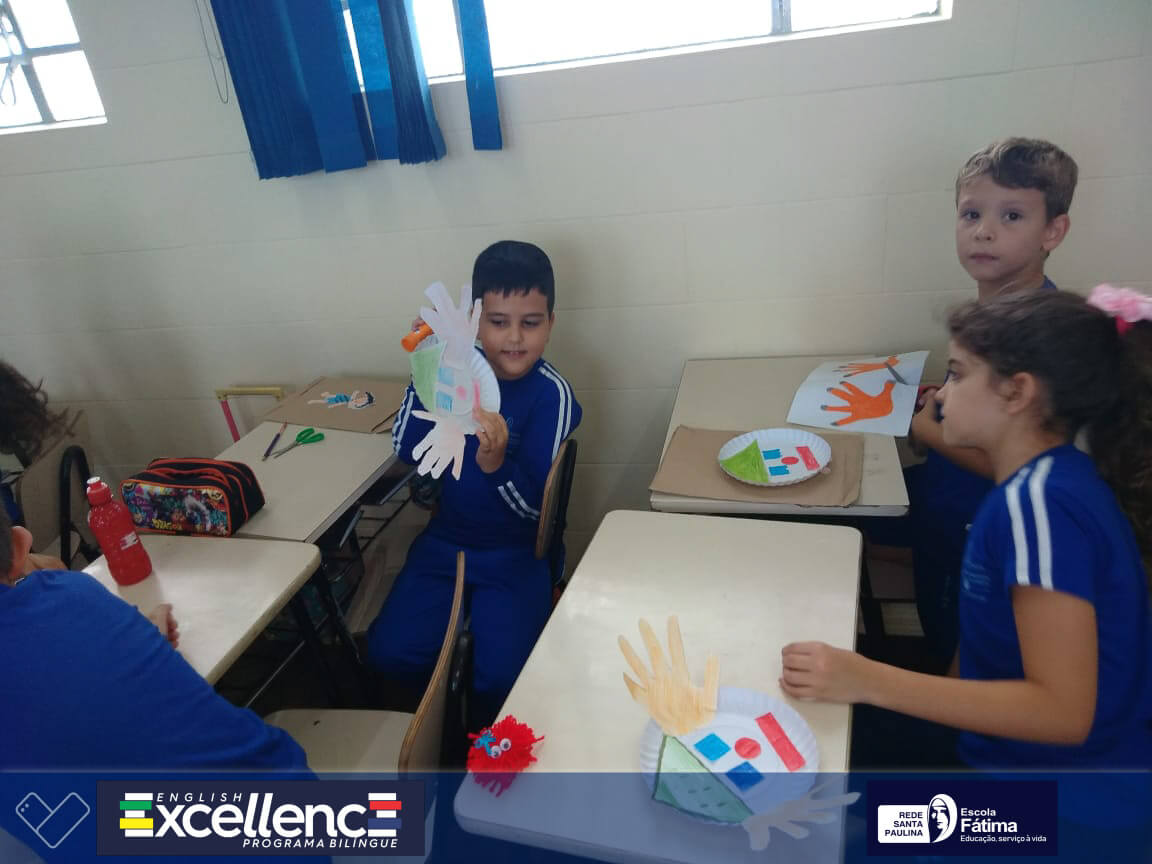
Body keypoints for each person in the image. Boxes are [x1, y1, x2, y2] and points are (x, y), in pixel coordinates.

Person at [782, 288, 1152, 777]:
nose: (940, 395)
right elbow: (987, 641)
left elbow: (1064, 715)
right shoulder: (1037, 484)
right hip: (994, 748)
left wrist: (868, 679)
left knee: (827, 808)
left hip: (1062, 798)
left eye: (956, 374)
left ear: (1017, 393)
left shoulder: (1040, 507)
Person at [367, 241, 581, 724]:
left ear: (551, 322)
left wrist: (497, 463)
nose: (514, 338)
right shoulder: (455, 371)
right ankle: (430, 734)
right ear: (475, 321)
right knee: (390, 653)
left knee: (502, 679)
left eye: (531, 323)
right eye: (498, 322)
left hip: (517, 553)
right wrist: (426, 368)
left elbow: (538, 511)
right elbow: (407, 449)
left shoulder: (551, 395)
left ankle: (487, 745)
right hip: (447, 542)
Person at [903, 138, 1079, 659]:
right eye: (971, 213)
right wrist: (947, 396)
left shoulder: (1037, 336)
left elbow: (1021, 464)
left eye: (1012, 216)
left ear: (1053, 230)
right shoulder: (994, 314)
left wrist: (924, 428)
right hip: (947, 506)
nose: (984, 230)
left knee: (955, 638)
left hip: (976, 527)